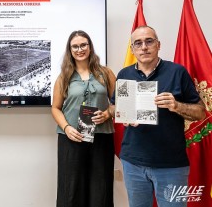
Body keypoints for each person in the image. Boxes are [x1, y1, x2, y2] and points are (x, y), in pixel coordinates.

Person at [109, 26, 206, 207]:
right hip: (133, 162)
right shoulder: (124, 74)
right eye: (138, 43)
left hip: (171, 164)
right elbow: (112, 107)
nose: (144, 47)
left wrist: (176, 105)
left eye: (149, 41)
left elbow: (201, 112)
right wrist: (122, 113)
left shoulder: (177, 72)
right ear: (132, 49)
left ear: (158, 45)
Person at [51, 30, 116, 207]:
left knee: (100, 189)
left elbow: (119, 103)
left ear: (90, 46)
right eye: (75, 46)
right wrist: (66, 128)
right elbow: (55, 108)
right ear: (70, 50)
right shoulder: (64, 77)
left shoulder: (106, 73)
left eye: (83, 45)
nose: (80, 49)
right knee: (71, 190)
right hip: (72, 139)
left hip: (102, 138)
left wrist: (108, 113)